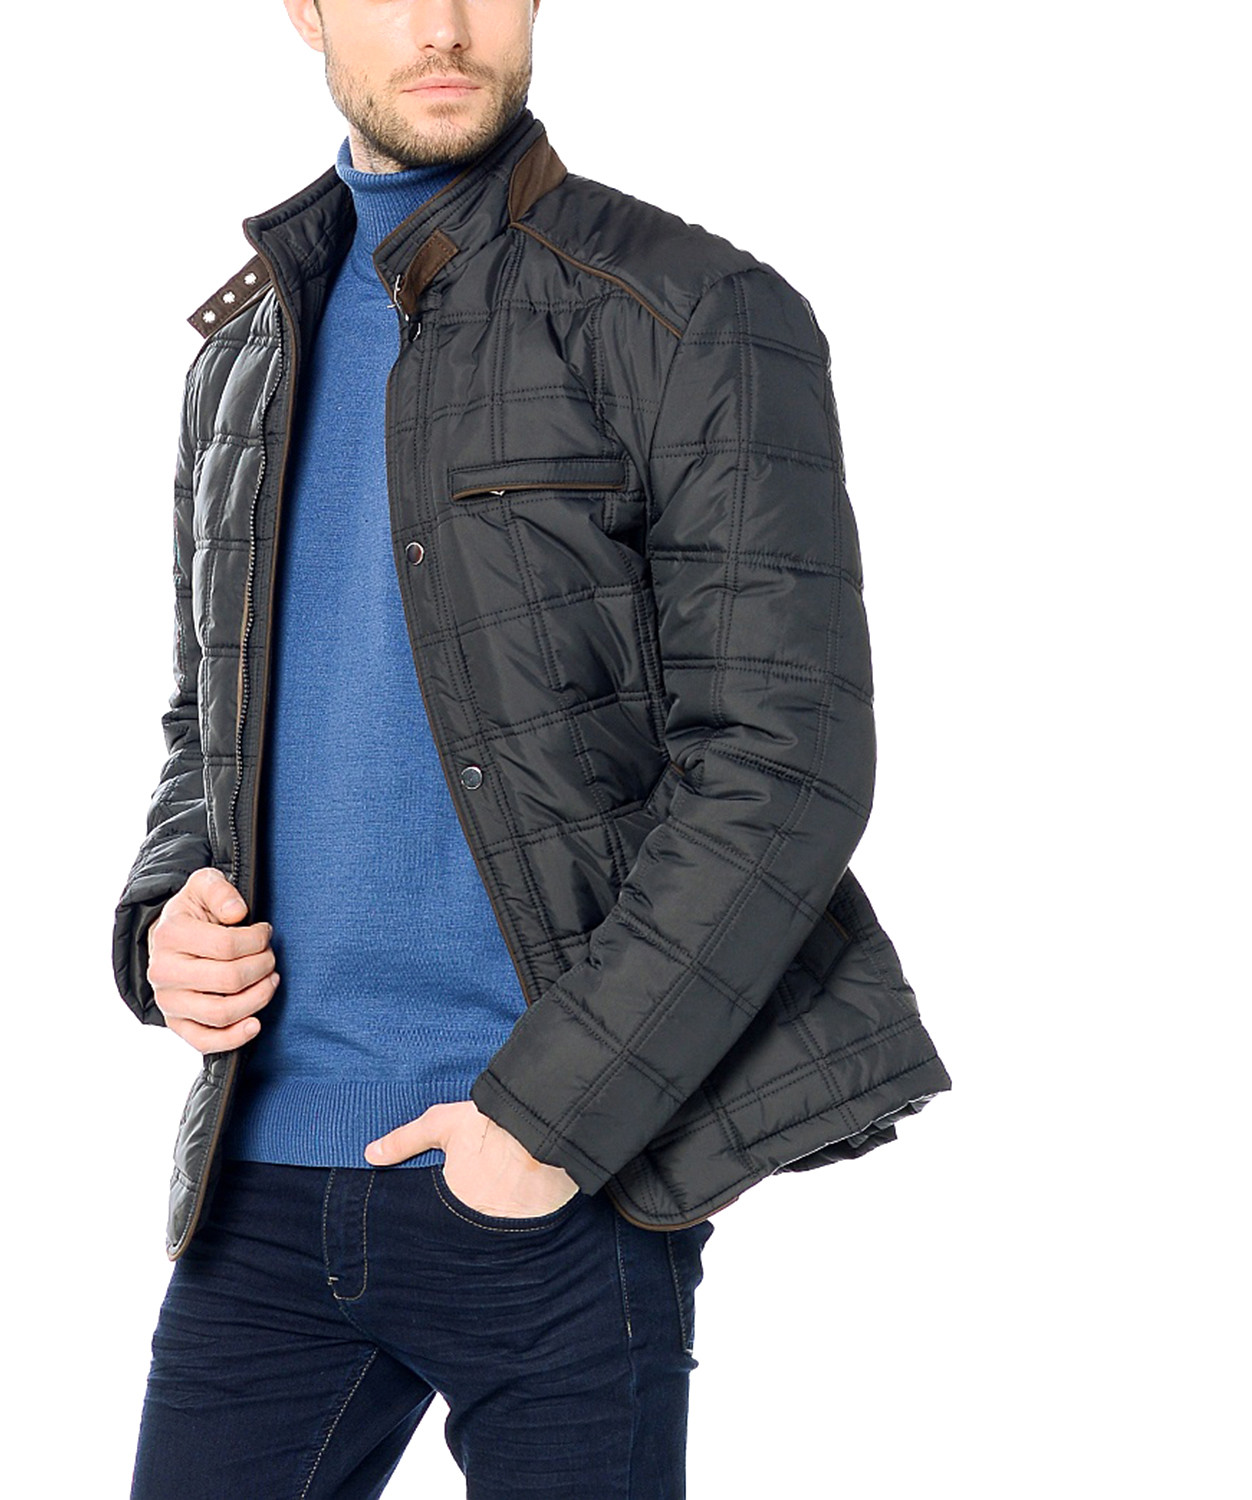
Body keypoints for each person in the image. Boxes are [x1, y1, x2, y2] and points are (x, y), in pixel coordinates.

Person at [111, 1, 953, 1494]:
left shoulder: (690, 308)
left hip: (555, 1183)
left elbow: (786, 761)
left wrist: (545, 1124)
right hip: (261, 1181)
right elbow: (205, 719)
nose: (444, 26)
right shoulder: (244, 350)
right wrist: (164, 918)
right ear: (304, 10)